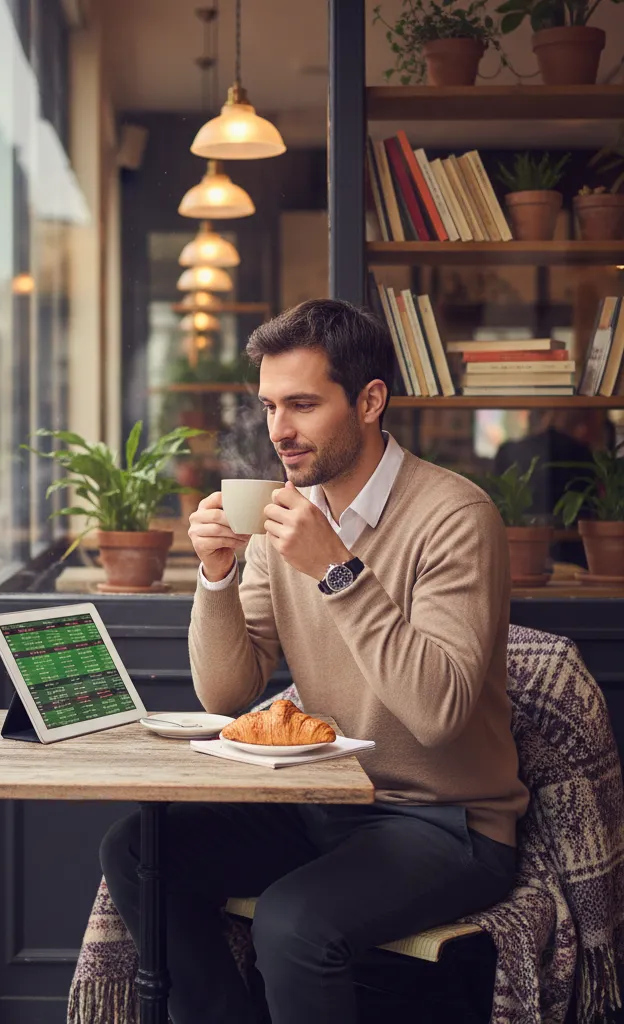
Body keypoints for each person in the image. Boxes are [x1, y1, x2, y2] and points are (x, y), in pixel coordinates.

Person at [100, 299, 528, 1024]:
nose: (279, 431)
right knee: (141, 851)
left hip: (446, 823)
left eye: (302, 404)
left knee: (293, 923)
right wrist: (215, 577)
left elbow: (438, 714)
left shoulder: (456, 517)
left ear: (368, 401)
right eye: (269, 406)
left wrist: (337, 570)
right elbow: (228, 692)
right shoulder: (280, 521)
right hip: (326, 803)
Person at [493, 408, 602, 566]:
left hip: (519, 556)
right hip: (573, 554)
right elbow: (592, 510)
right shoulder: (581, 451)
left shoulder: (507, 451)